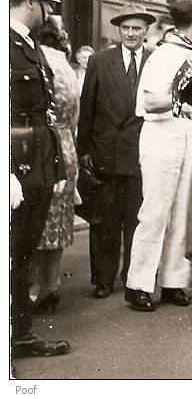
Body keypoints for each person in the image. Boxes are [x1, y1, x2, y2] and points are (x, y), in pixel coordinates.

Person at [9, 0, 71, 358]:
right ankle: (19, 334)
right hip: (16, 161)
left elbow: (45, 110)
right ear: (29, 1)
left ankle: (19, 333)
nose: (49, 13)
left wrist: (59, 166)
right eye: (44, 4)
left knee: (22, 249)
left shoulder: (29, 45)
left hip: (37, 158)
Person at [125, 0, 192, 312]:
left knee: (182, 211)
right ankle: (138, 284)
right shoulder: (163, 54)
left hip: (186, 133)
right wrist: (182, 103)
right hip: (161, 133)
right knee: (155, 211)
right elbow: (149, 102)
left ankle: (173, 280)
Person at [78, 4, 155, 299]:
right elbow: (87, 107)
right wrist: (83, 149)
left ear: (146, 30)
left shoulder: (155, 60)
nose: (131, 34)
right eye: (126, 28)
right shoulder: (100, 61)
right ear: (119, 31)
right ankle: (103, 279)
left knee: (136, 219)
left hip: (141, 152)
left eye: (137, 28)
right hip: (105, 151)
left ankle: (133, 276)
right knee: (104, 220)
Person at [30, 16, 81, 313]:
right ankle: (51, 285)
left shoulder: (36, 60)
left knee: (34, 219)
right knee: (57, 219)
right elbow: (73, 118)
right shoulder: (66, 67)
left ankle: (35, 285)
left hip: (40, 144)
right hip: (65, 145)